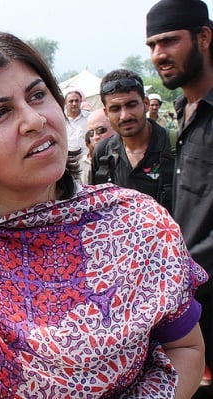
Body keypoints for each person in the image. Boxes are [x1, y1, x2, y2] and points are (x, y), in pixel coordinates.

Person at [0, 31, 207, 399]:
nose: (34, 120)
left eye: (38, 95)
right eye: (0, 112)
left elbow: (185, 348)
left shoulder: (137, 223)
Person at [146, 0, 213, 395]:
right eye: (152, 44)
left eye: (169, 40)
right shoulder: (183, 112)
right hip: (191, 305)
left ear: (204, 37)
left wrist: (180, 270)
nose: (159, 55)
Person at [91, 69, 174, 213]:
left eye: (131, 105)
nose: (125, 116)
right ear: (106, 113)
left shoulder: (176, 147)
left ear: (146, 103)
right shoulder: (103, 153)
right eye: (115, 109)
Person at [64, 89, 89, 157]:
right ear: (65, 103)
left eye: (76, 101)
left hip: (85, 159)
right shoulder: (60, 120)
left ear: (81, 102)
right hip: (67, 160)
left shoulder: (89, 117)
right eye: (71, 101)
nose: (74, 104)